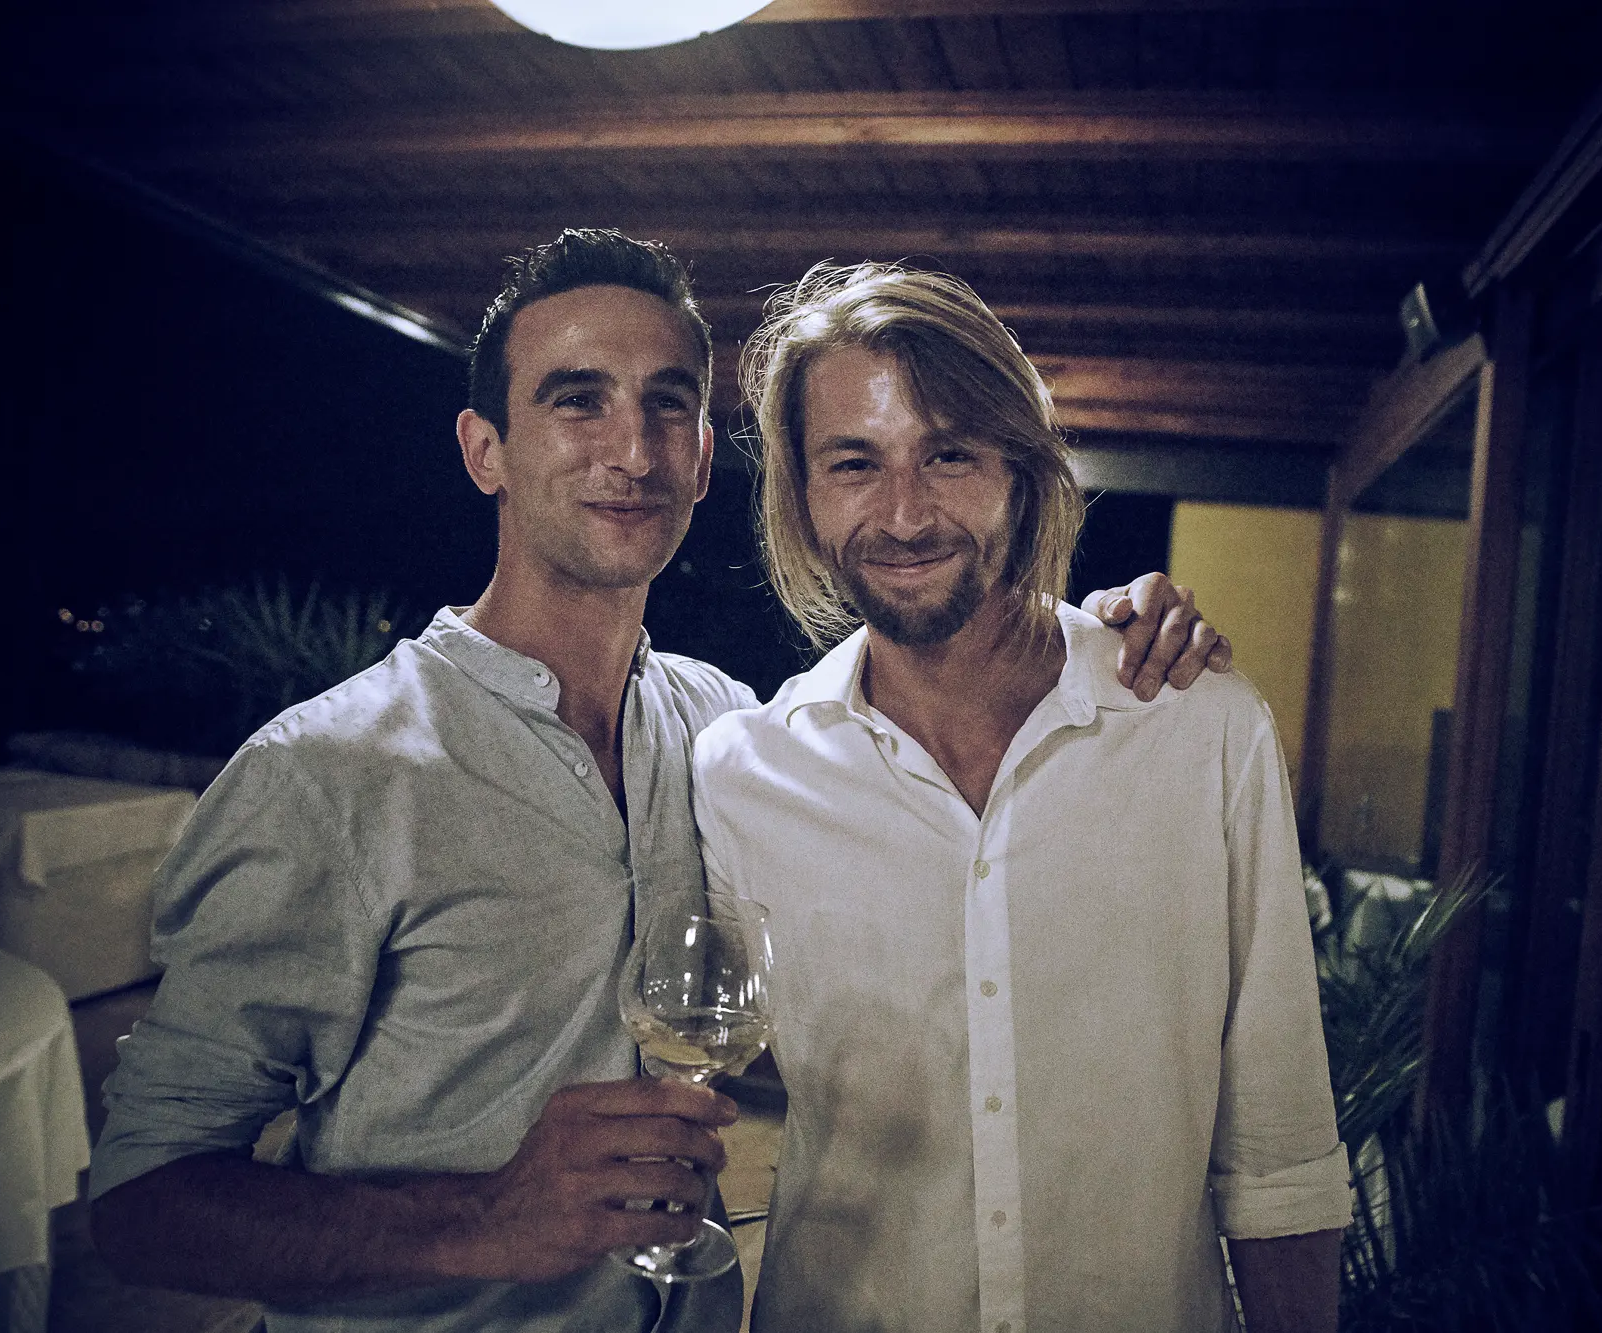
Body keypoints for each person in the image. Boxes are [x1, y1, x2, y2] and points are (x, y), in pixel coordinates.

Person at [88, 230, 1230, 1333]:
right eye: (576, 398)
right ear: (484, 448)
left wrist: (1099, 633)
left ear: (700, 454)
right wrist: (484, 1218)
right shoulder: (327, 771)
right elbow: (142, 1207)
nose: (630, 450)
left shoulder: (727, 731)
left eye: (667, 403)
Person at [692, 262, 1351, 1333]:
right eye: (852, 462)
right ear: (801, 497)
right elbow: (718, 1077)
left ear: (1020, 468)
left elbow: (1279, 1156)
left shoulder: (1198, 729)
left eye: (947, 454)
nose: (903, 513)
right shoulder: (738, 777)